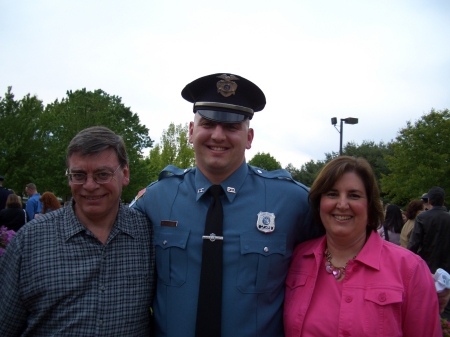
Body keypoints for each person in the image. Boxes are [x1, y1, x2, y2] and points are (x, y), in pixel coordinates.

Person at [131, 73, 319, 337]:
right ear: (191, 131)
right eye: (207, 124)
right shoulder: (156, 199)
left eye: (232, 127)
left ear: (249, 137)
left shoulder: (293, 202)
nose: (218, 136)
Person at [0, 126, 155, 336]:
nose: (90, 185)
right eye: (79, 175)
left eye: (102, 174)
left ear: (125, 174)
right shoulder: (29, 243)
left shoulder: (148, 237)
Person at [284, 156, 441, 336]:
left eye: (354, 195)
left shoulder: (410, 269)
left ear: (370, 205)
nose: (342, 205)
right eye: (332, 194)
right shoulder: (297, 258)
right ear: (319, 202)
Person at [409, 186, 450, 319]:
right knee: (447, 305)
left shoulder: (422, 218)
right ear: (443, 201)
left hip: (427, 266)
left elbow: (414, 245)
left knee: (426, 305)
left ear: (429, 201)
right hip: (447, 267)